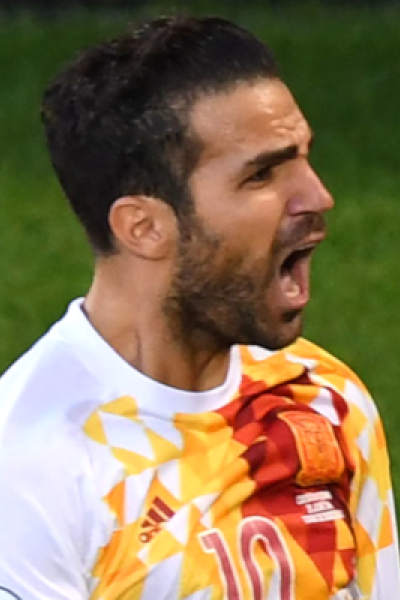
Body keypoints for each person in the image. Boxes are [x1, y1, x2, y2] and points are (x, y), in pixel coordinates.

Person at [0, 15, 398, 600]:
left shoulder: (321, 397)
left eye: (304, 158)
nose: (318, 197)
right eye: (263, 174)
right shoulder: (30, 466)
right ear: (144, 228)